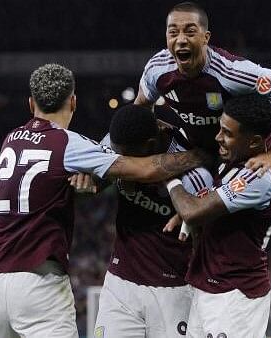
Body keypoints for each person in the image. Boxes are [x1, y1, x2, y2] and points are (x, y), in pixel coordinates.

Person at [0, 64, 208, 338]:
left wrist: (92, 181)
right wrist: (201, 155)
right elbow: (143, 169)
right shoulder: (69, 143)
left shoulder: (10, 140)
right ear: (73, 101)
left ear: (31, 103)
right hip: (39, 281)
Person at [135, 1, 271, 180]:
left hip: (242, 159)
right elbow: (141, 107)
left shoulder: (234, 73)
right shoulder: (156, 69)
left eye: (190, 32)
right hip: (197, 152)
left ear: (206, 37)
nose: (181, 40)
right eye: (173, 32)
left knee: (201, 207)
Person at [163, 94, 271, 338]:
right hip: (208, 286)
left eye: (227, 133)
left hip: (236, 295)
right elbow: (201, 209)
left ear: (254, 142)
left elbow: (192, 211)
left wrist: (169, 177)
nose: (218, 137)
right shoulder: (229, 163)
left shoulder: (258, 175)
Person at [93, 104, 213, 338]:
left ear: (149, 145)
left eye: (126, 155)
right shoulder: (114, 143)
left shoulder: (195, 177)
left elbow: (205, 241)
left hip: (175, 291)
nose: (120, 161)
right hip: (121, 283)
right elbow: (94, 179)